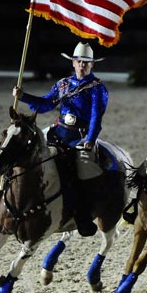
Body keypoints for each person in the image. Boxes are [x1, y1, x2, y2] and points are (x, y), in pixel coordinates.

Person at [12, 42, 109, 236]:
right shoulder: (63, 84)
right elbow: (46, 104)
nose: (82, 65)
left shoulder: (98, 89)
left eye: (86, 62)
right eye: (79, 61)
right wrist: (24, 97)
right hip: (58, 131)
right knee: (26, 152)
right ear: (73, 63)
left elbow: (96, 117)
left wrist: (90, 139)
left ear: (92, 65)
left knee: (76, 172)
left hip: (79, 138)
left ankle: (81, 214)